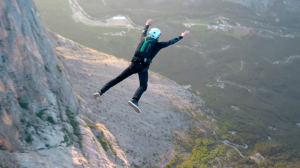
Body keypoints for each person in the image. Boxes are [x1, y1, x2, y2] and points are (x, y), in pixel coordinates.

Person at [93, 19, 190, 113]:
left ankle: (100, 92)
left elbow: (144, 32)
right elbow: (170, 42)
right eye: (159, 36)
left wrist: (147, 25)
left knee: (118, 79)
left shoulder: (142, 38)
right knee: (143, 86)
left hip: (133, 64)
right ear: (157, 36)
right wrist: (181, 36)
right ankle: (134, 100)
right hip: (142, 67)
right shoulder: (157, 44)